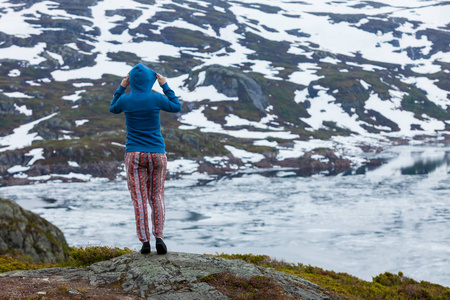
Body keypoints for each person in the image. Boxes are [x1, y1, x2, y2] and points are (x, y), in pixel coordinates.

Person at [110, 63, 181, 255]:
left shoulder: (126, 100)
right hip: (157, 153)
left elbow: (112, 108)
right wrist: (164, 85)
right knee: (156, 196)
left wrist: (122, 86)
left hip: (134, 154)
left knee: (139, 199)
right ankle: (159, 238)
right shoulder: (156, 98)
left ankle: (145, 242)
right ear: (151, 80)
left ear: (131, 80)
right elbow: (176, 106)